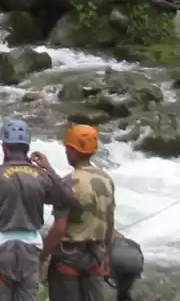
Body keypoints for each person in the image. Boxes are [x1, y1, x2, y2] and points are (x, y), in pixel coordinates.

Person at [0, 120, 75, 301]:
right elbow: (66, 199)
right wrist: (49, 169)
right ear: (27, 146)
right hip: (30, 249)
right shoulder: (41, 176)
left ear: (4, 147)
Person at [43, 125, 116, 301]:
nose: (66, 152)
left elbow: (59, 229)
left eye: (68, 148)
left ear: (74, 151)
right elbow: (110, 222)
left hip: (68, 258)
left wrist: (42, 255)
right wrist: (107, 255)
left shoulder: (69, 183)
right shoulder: (106, 179)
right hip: (96, 256)